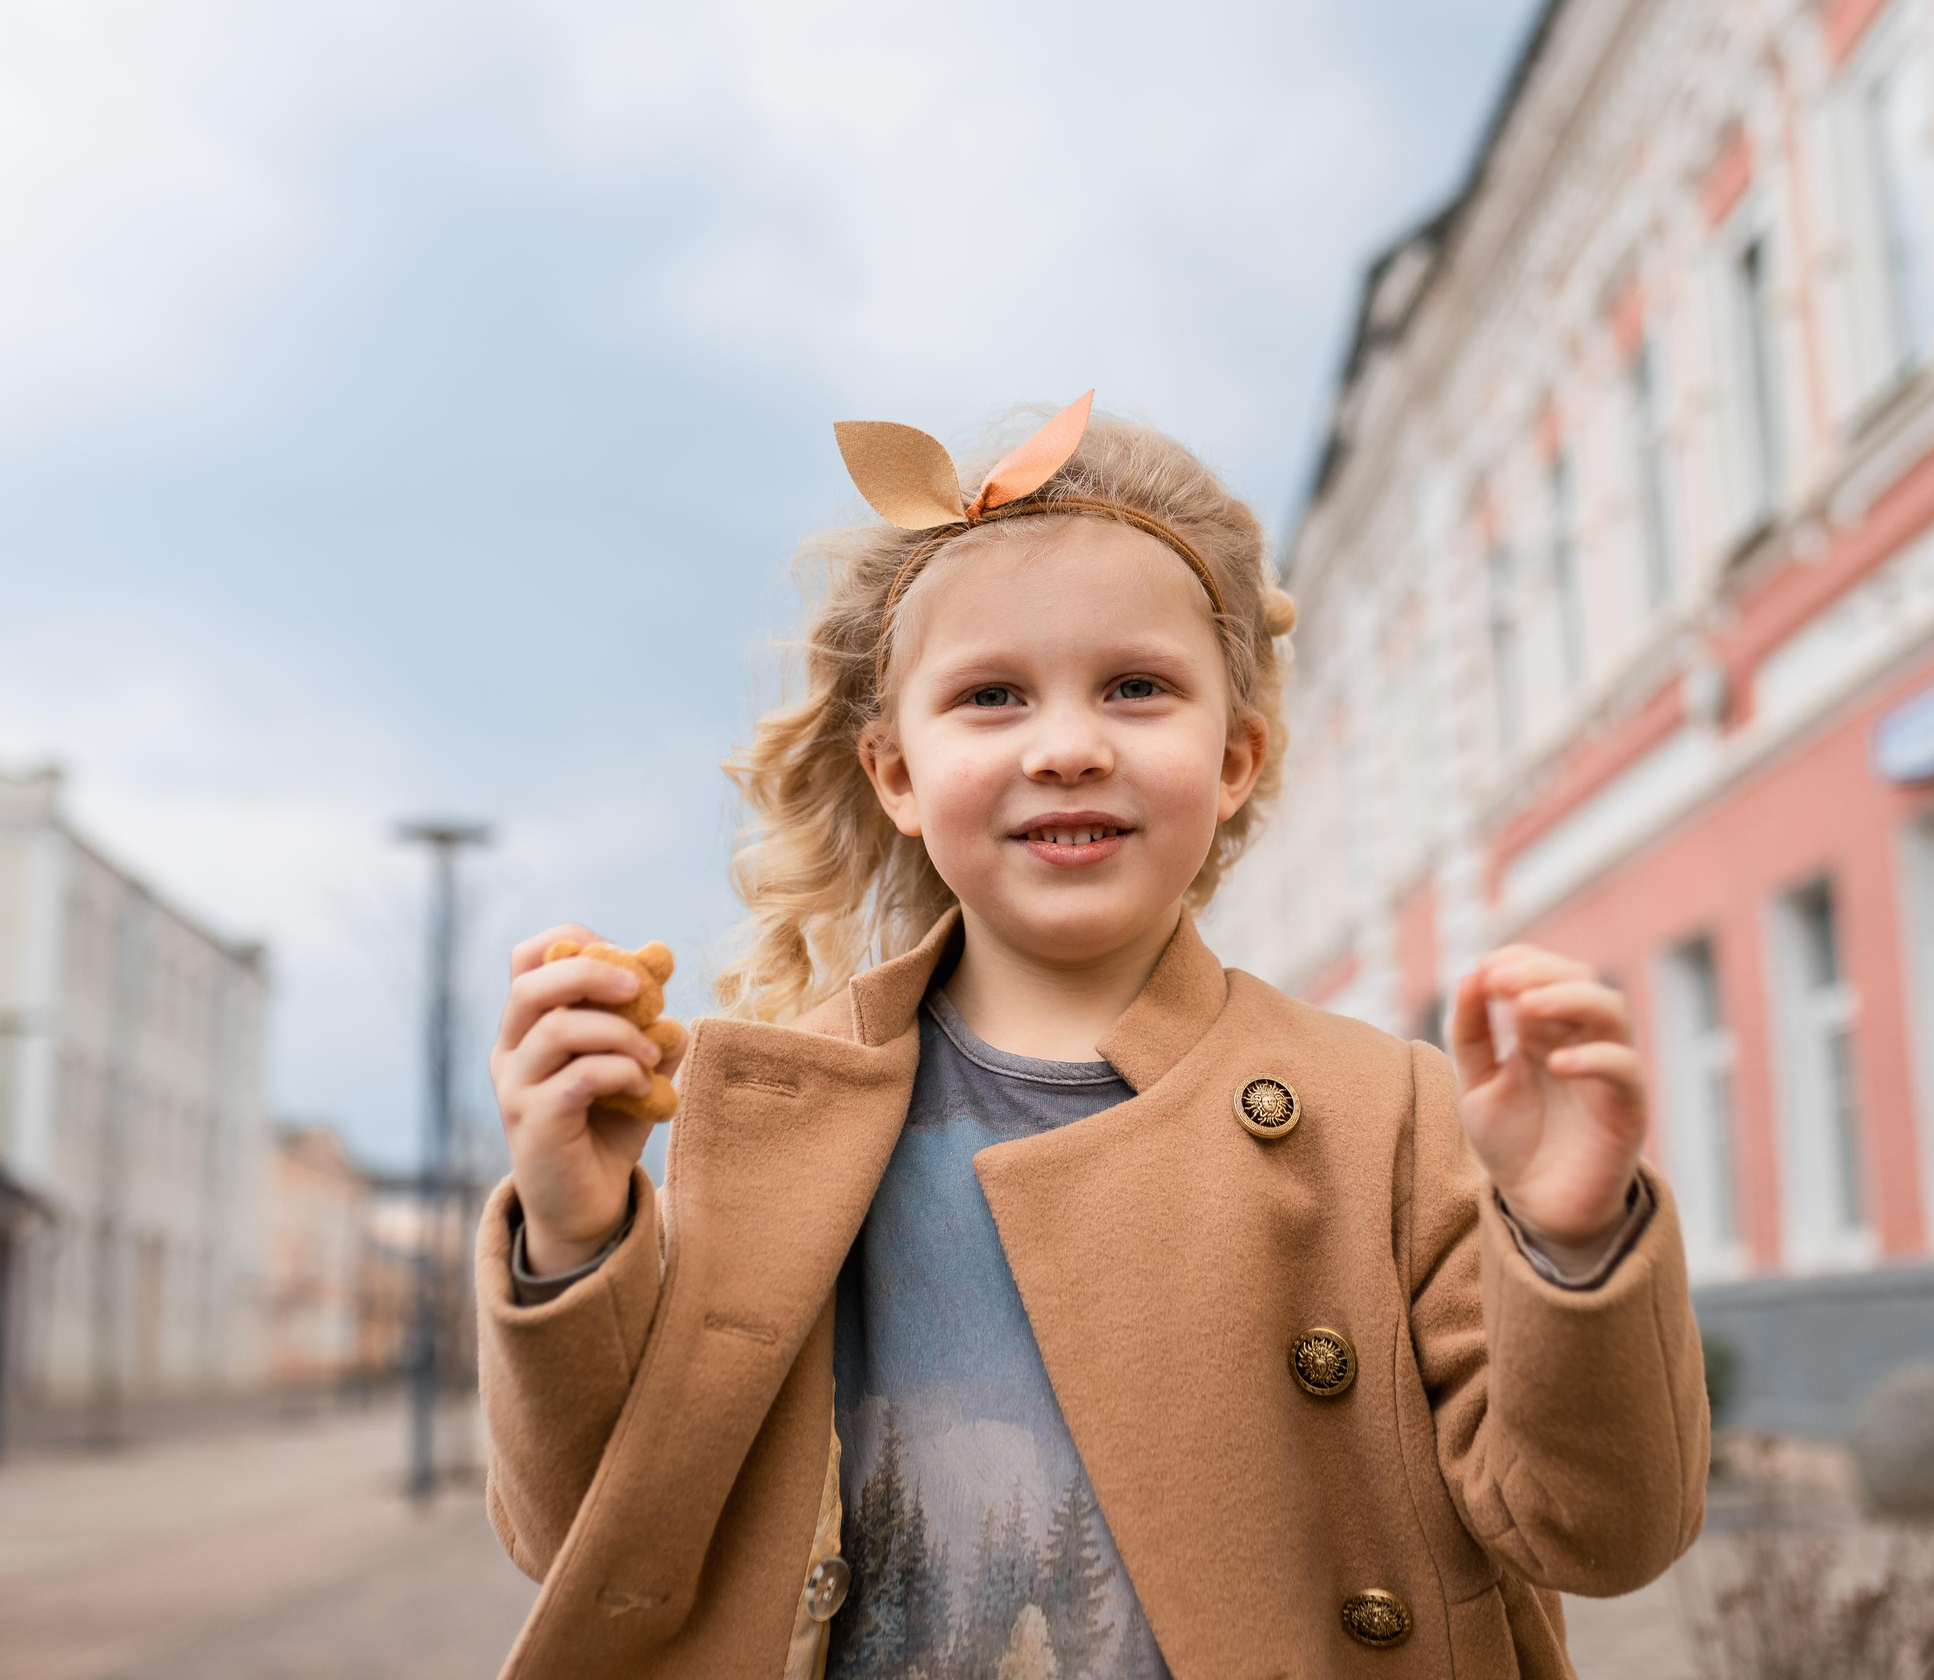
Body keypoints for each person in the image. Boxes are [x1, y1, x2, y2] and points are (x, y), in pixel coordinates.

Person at [479, 394, 1709, 1680]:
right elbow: (592, 1551)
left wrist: (1573, 1246)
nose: (1067, 747)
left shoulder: (1383, 1115)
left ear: (1234, 757)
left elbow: (1600, 1531)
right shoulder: (775, 1120)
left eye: (1135, 688)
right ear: (894, 772)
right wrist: (569, 1239)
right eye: (992, 697)